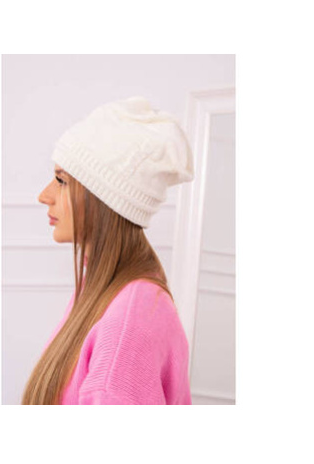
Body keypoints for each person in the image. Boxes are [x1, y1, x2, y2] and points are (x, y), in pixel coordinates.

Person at [22, 96, 194, 405]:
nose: (44, 196)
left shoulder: (126, 327)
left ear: (105, 200)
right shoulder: (112, 292)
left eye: (61, 181)